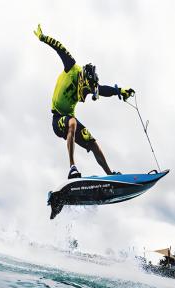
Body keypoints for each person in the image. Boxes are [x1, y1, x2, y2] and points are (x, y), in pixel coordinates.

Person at [34, 25, 135, 179]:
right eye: (87, 90)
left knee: (92, 142)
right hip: (58, 119)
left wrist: (119, 91)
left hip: (69, 119)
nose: (86, 95)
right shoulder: (72, 67)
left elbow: (103, 90)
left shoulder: (89, 86)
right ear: (83, 81)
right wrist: (43, 38)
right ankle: (72, 167)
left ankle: (110, 175)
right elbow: (59, 48)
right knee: (73, 122)